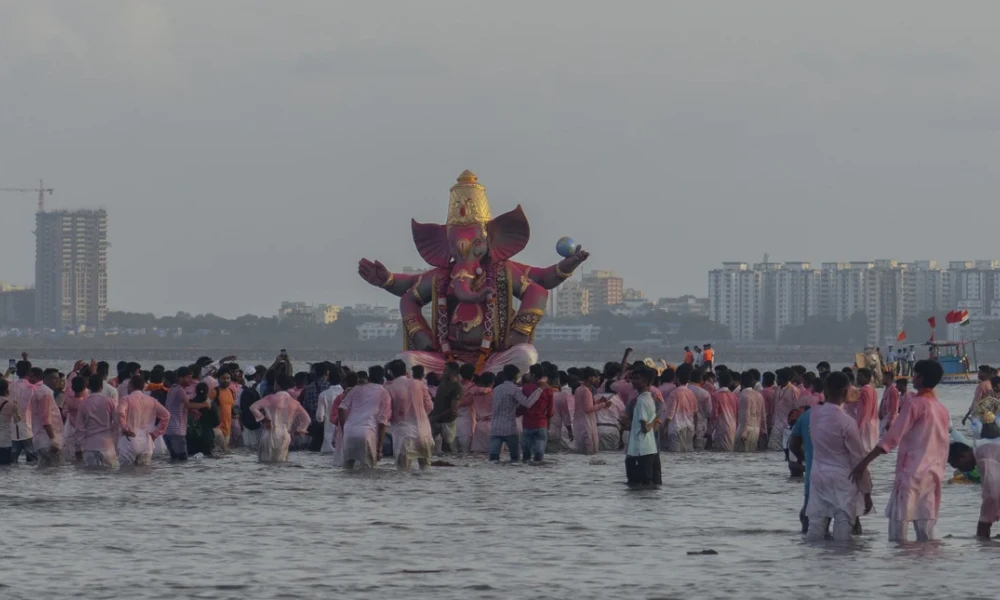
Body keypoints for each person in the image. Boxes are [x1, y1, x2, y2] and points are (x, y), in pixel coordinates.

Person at [850, 360, 950, 542]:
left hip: (910, 474)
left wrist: (864, 462)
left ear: (920, 377)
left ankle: (898, 568)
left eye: (916, 374)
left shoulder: (914, 405)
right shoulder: (941, 409)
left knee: (898, 531)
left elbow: (892, 438)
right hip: (933, 475)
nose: (914, 378)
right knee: (926, 534)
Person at [805, 371, 873, 541]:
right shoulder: (847, 421)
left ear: (826, 390)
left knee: (816, 525)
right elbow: (858, 459)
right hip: (843, 478)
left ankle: (809, 564)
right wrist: (866, 492)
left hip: (818, 475)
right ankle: (841, 567)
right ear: (845, 392)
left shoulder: (813, 414)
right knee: (843, 525)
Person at [338, 366, 392, 469]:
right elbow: (382, 422)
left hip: (349, 432)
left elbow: (341, 408)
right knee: (369, 471)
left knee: (347, 469)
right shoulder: (384, 394)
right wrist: (379, 449)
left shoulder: (356, 389)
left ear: (369, 377)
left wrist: (344, 429)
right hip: (367, 433)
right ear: (382, 379)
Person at [250, 373, 311, 463]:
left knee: (264, 464)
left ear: (277, 385)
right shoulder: (294, 402)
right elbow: (307, 419)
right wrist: (300, 429)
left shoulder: (269, 398)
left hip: (269, 433)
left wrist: (262, 419)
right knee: (281, 464)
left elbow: (253, 407)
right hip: (284, 435)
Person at [385, 360, 434, 471]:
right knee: (426, 470)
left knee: (403, 472)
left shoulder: (390, 388)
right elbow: (430, 406)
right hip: (424, 432)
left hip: (404, 434)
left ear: (391, 373)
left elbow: (387, 413)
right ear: (405, 371)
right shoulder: (419, 384)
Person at [947, 442, 1000, 539]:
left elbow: (992, 494)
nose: (961, 470)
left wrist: (984, 522)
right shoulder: (984, 450)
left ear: (963, 456)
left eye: (958, 466)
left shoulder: (984, 458)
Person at [117, 375, 170, 466]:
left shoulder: (126, 399)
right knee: (144, 473)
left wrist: (125, 428)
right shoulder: (152, 401)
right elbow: (166, 415)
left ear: (131, 386)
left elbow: (120, 412)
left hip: (129, 439)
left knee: (125, 473)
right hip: (147, 440)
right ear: (143, 387)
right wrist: (156, 433)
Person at [489, 365, 539, 462]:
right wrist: (539, 391)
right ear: (515, 376)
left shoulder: (496, 389)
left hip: (495, 428)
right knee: (515, 458)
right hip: (509, 428)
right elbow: (527, 403)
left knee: (493, 458)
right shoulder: (514, 389)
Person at [163, 366, 209, 462]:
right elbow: (188, 405)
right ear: (180, 378)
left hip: (168, 431)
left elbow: (174, 407)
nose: (191, 380)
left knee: (174, 460)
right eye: (188, 377)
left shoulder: (172, 389)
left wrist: (191, 411)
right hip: (177, 431)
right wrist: (204, 404)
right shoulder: (180, 390)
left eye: (191, 377)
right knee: (183, 461)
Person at [625, 367, 661, 487]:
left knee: (637, 485)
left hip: (639, 450)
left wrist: (651, 422)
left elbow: (645, 428)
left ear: (645, 381)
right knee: (651, 485)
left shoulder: (641, 402)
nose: (632, 381)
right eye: (632, 378)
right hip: (650, 449)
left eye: (636, 378)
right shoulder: (650, 399)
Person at [74, 374, 120, 468]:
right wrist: (116, 443)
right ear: (101, 387)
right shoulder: (109, 401)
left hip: (89, 445)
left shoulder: (84, 404)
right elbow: (116, 423)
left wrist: (78, 447)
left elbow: (79, 428)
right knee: (109, 475)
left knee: (91, 477)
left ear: (89, 386)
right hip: (107, 445)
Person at [29, 368, 64, 467]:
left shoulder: (41, 391)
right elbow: (46, 419)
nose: (58, 381)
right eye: (54, 378)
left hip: (41, 439)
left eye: (58, 379)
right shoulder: (46, 393)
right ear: (46, 379)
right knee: (54, 471)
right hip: (47, 441)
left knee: (44, 471)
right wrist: (54, 441)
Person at [520, 364, 554, 462]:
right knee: (539, 457)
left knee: (526, 457)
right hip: (541, 424)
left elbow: (523, 405)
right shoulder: (548, 389)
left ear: (533, 374)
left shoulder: (526, 388)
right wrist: (548, 425)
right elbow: (550, 410)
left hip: (527, 424)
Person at [572, 367, 609, 455]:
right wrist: (604, 405)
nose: (597, 379)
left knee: (581, 454)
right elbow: (588, 409)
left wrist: (599, 402)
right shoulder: (586, 391)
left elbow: (586, 405)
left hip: (579, 425)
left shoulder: (579, 389)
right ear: (590, 377)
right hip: (587, 425)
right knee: (590, 454)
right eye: (596, 377)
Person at [427, 362, 463, 453]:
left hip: (447, 421)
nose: (443, 372)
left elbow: (453, 409)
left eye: (446, 370)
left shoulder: (457, 387)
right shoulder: (442, 382)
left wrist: (435, 417)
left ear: (453, 372)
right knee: (426, 445)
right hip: (435, 419)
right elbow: (439, 400)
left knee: (448, 449)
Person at [663, 365, 697, 452]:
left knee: (675, 456)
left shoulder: (674, 393)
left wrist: (664, 427)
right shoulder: (691, 393)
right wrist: (695, 429)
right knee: (687, 457)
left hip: (677, 428)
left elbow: (670, 415)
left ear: (677, 378)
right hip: (689, 428)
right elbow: (695, 414)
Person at [9, 360, 37, 463]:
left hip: (12, 430)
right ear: (29, 373)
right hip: (28, 429)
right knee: (33, 461)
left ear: (16, 372)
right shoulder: (32, 388)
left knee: (11, 462)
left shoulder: (10, 386)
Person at [300, 362, 330, 452]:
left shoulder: (309, 388)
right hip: (328, 424)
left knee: (314, 450)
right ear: (327, 372)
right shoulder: (330, 387)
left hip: (314, 424)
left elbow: (305, 408)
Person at [769, 369, 800, 452]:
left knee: (786, 450)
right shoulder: (777, 389)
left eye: (778, 378)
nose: (776, 380)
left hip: (787, 426)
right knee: (772, 449)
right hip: (776, 425)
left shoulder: (794, 390)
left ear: (783, 379)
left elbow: (797, 408)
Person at [315, 365, 344, 455]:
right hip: (343, 435)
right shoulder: (346, 394)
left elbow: (320, 417)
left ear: (328, 379)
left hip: (328, 437)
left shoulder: (324, 395)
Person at [735, 371, 766, 452]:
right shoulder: (759, 395)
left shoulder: (744, 395)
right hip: (756, 429)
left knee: (740, 456)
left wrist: (744, 432)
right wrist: (764, 431)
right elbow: (763, 416)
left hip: (745, 429)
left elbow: (745, 415)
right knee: (751, 456)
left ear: (741, 382)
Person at [852, 368, 880, 453]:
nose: (857, 378)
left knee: (862, 450)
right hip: (873, 422)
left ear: (867, 378)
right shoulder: (872, 389)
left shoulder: (864, 390)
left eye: (860, 376)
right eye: (857, 376)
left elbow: (865, 409)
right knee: (868, 449)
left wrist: (859, 425)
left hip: (864, 423)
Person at [210, 368, 237, 452]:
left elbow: (231, 407)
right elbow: (206, 407)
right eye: (223, 378)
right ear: (218, 378)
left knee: (221, 454)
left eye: (228, 378)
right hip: (217, 427)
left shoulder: (231, 391)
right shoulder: (214, 391)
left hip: (227, 428)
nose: (226, 380)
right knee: (225, 450)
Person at [62, 376, 88, 461]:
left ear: (72, 387)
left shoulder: (68, 399)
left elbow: (64, 412)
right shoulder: (86, 400)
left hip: (70, 428)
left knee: (71, 455)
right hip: (83, 429)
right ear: (84, 387)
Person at [711, 371, 738, 451]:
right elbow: (737, 413)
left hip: (721, 429)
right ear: (730, 383)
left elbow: (714, 415)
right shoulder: (734, 396)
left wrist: (709, 431)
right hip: (733, 428)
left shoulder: (716, 396)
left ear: (719, 382)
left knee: (721, 453)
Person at [454, 363, 478, 453]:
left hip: (454, 424)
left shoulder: (454, 386)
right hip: (467, 426)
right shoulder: (473, 388)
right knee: (467, 454)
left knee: (455, 455)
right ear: (473, 374)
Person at [470, 372, 495, 454]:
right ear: (492, 382)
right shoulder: (494, 393)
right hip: (492, 425)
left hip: (479, 426)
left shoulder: (474, 392)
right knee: (494, 455)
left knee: (478, 455)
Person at [688, 368, 713, 450]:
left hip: (685, 425)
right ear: (701, 380)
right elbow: (709, 412)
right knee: (698, 450)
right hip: (700, 426)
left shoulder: (685, 390)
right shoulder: (705, 393)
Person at [879, 373, 901, 438]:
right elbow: (883, 401)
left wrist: (890, 421)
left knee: (886, 437)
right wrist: (880, 411)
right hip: (884, 416)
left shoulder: (893, 390)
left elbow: (894, 407)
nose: (882, 379)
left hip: (888, 417)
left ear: (888, 379)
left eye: (884, 378)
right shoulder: (886, 389)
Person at [0, 380, 17, 465]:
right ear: (7, 390)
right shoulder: (10, 405)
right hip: (4, 441)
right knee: (5, 468)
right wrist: (16, 408)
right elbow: (18, 420)